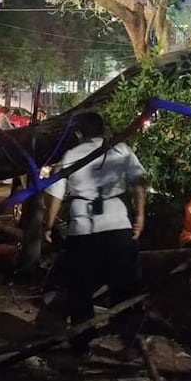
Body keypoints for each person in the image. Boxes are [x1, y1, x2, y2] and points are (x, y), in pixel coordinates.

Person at [43, 111, 147, 359]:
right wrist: (140, 216)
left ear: (79, 133)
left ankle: (81, 345)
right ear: (104, 129)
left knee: (80, 289)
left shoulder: (71, 156)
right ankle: (130, 343)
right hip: (118, 225)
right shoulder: (121, 149)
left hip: (82, 231)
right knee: (125, 286)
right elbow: (139, 182)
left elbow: (55, 195)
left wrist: (47, 226)